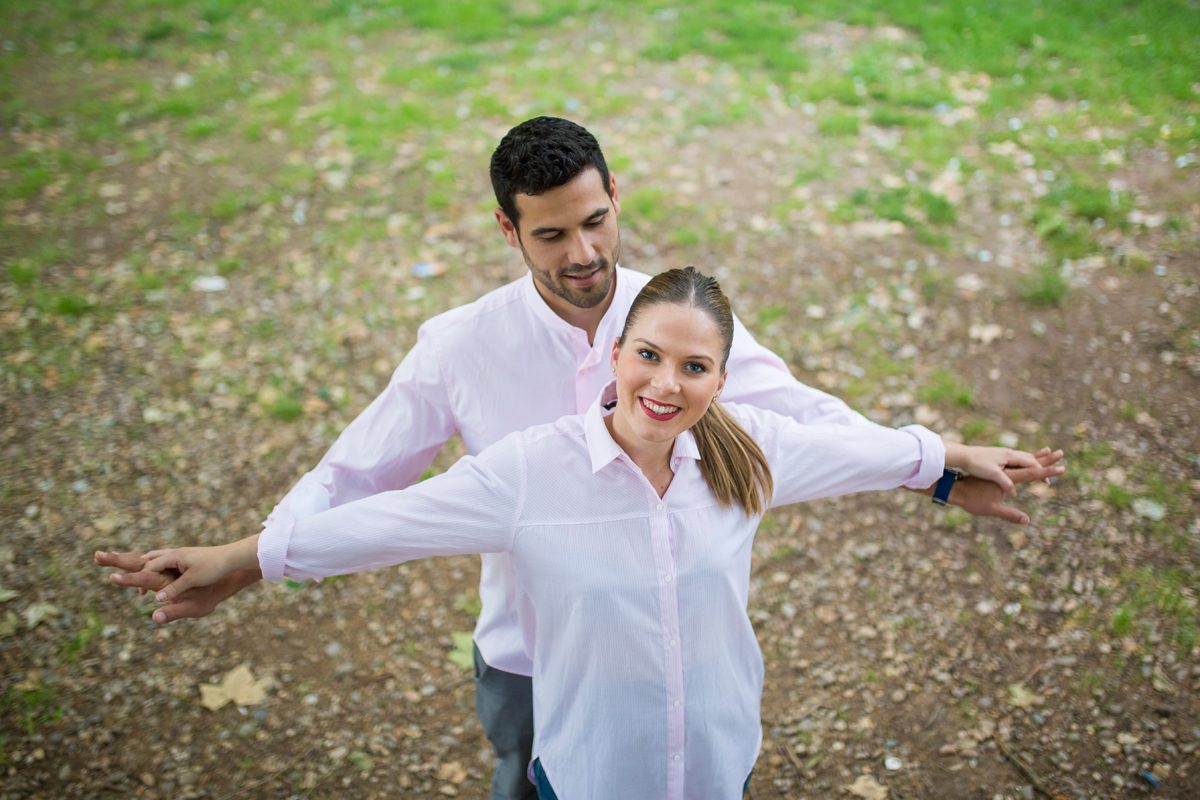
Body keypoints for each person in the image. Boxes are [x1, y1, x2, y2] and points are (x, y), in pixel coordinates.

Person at [95, 118, 1064, 800]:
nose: (583, 251)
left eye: (595, 221)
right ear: (509, 230)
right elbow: (359, 477)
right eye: (551, 233)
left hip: (675, 620)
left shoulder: (675, 317)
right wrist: (252, 554)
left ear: (614, 199)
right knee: (529, 776)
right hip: (529, 640)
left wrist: (936, 468)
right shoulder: (460, 344)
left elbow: (796, 419)